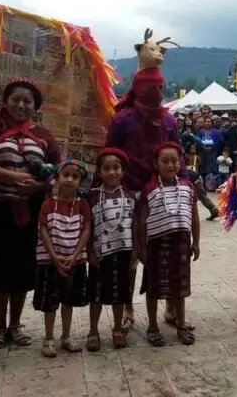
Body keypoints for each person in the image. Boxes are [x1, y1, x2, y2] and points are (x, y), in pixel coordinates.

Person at [0, 78, 61, 350]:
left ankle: (15, 324)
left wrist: (39, 186)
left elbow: (58, 173)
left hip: (31, 212)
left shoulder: (44, 136)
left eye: (27, 101)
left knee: (23, 269)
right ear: (5, 102)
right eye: (16, 100)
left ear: (35, 106)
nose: (21, 105)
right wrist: (13, 178)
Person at [102, 66, 191, 334]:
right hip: (129, 194)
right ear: (139, 88)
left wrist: (185, 185)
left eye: (162, 87)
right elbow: (110, 153)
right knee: (131, 255)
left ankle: (172, 307)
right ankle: (128, 307)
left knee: (171, 252)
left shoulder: (169, 121)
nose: (158, 92)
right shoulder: (122, 120)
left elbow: (179, 155)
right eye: (152, 87)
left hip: (163, 194)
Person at [139, 142, 200, 346]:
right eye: (164, 161)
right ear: (156, 163)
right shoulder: (149, 189)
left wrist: (196, 242)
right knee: (153, 286)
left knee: (180, 286)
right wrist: (142, 246)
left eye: (174, 160)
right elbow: (142, 220)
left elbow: (194, 216)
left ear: (180, 162)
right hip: (156, 244)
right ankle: (152, 326)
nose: (170, 165)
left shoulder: (187, 186)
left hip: (181, 243)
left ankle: (181, 324)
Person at [34, 159, 91, 358]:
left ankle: (66, 336)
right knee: (50, 302)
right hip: (50, 262)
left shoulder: (83, 205)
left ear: (80, 181)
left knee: (69, 300)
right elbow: (43, 230)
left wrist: (75, 256)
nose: (69, 180)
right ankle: (48, 338)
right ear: (57, 178)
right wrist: (54, 258)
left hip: (74, 262)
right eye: (65, 175)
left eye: (75, 177)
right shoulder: (48, 204)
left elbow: (86, 230)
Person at [86, 149, 135, 351]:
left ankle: (116, 328)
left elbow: (136, 225)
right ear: (99, 172)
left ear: (123, 171)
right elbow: (88, 225)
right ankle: (93, 330)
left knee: (120, 294)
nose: (112, 172)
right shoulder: (92, 196)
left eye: (116, 168)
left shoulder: (130, 196)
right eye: (106, 168)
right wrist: (89, 251)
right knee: (96, 295)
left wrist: (136, 249)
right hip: (100, 253)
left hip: (124, 251)